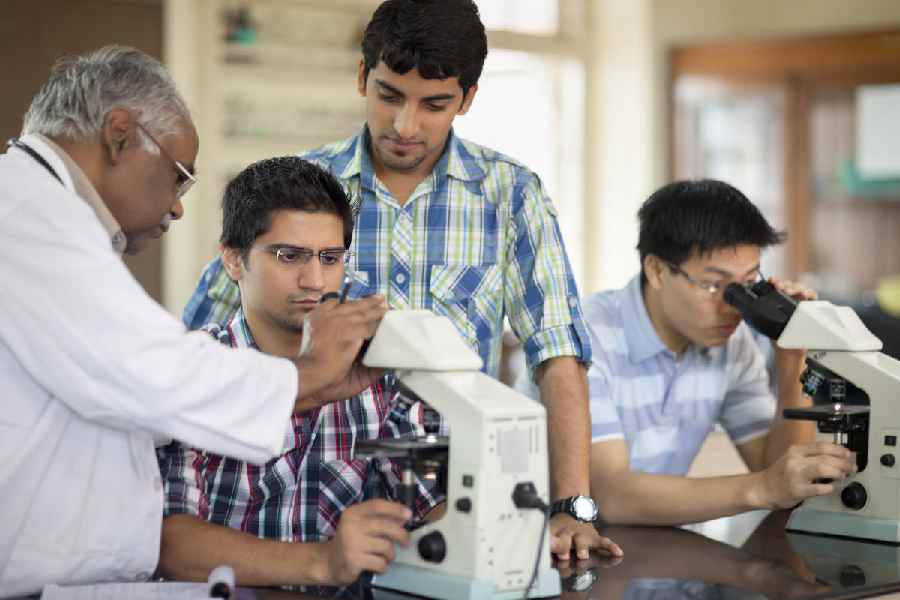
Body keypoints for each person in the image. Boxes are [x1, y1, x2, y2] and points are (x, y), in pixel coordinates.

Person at [183, 0, 619, 560]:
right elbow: (197, 345)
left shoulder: (512, 197)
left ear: (467, 99)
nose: (405, 125)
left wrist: (571, 506)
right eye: (389, 95)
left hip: (455, 503)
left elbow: (558, 354)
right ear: (363, 77)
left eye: (434, 104)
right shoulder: (305, 193)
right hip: (303, 507)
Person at [0, 46, 386, 597]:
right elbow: (151, 375)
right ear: (119, 135)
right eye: (178, 177)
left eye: (330, 258)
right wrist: (306, 376)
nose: (178, 206)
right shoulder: (29, 215)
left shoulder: (39, 211)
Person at [157, 156, 438, 586]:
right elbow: (171, 545)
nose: (315, 280)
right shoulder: (193, 369)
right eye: (289, 256)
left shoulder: (376, 372)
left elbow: (436, 503)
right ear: (233, 260)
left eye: (330, 258)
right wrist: (324, 560)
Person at [580, 179, 857, 525]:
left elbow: (777, 472)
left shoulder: (732, 343)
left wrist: (792, 356)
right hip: (550, 550)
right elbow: (611, 496)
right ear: (657, 270)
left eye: (745, 285)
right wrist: (761, 489)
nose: (731, 307)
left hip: (649, 546)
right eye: (713, 285)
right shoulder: (587, 335)